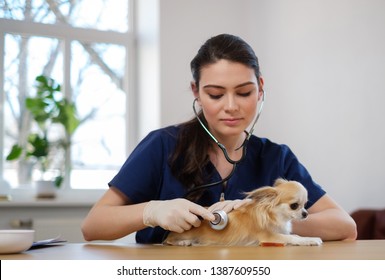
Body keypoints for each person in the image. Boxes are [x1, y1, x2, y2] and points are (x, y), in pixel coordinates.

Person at [81, 34, 357, 244]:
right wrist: (151, 212)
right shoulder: (163, 145)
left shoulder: (276, 157)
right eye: (215, 94)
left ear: (260, 88)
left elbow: (345, 226)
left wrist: (268, 220)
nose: (231, 106)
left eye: (244, 92)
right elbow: (93, 226)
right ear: (196, 92)